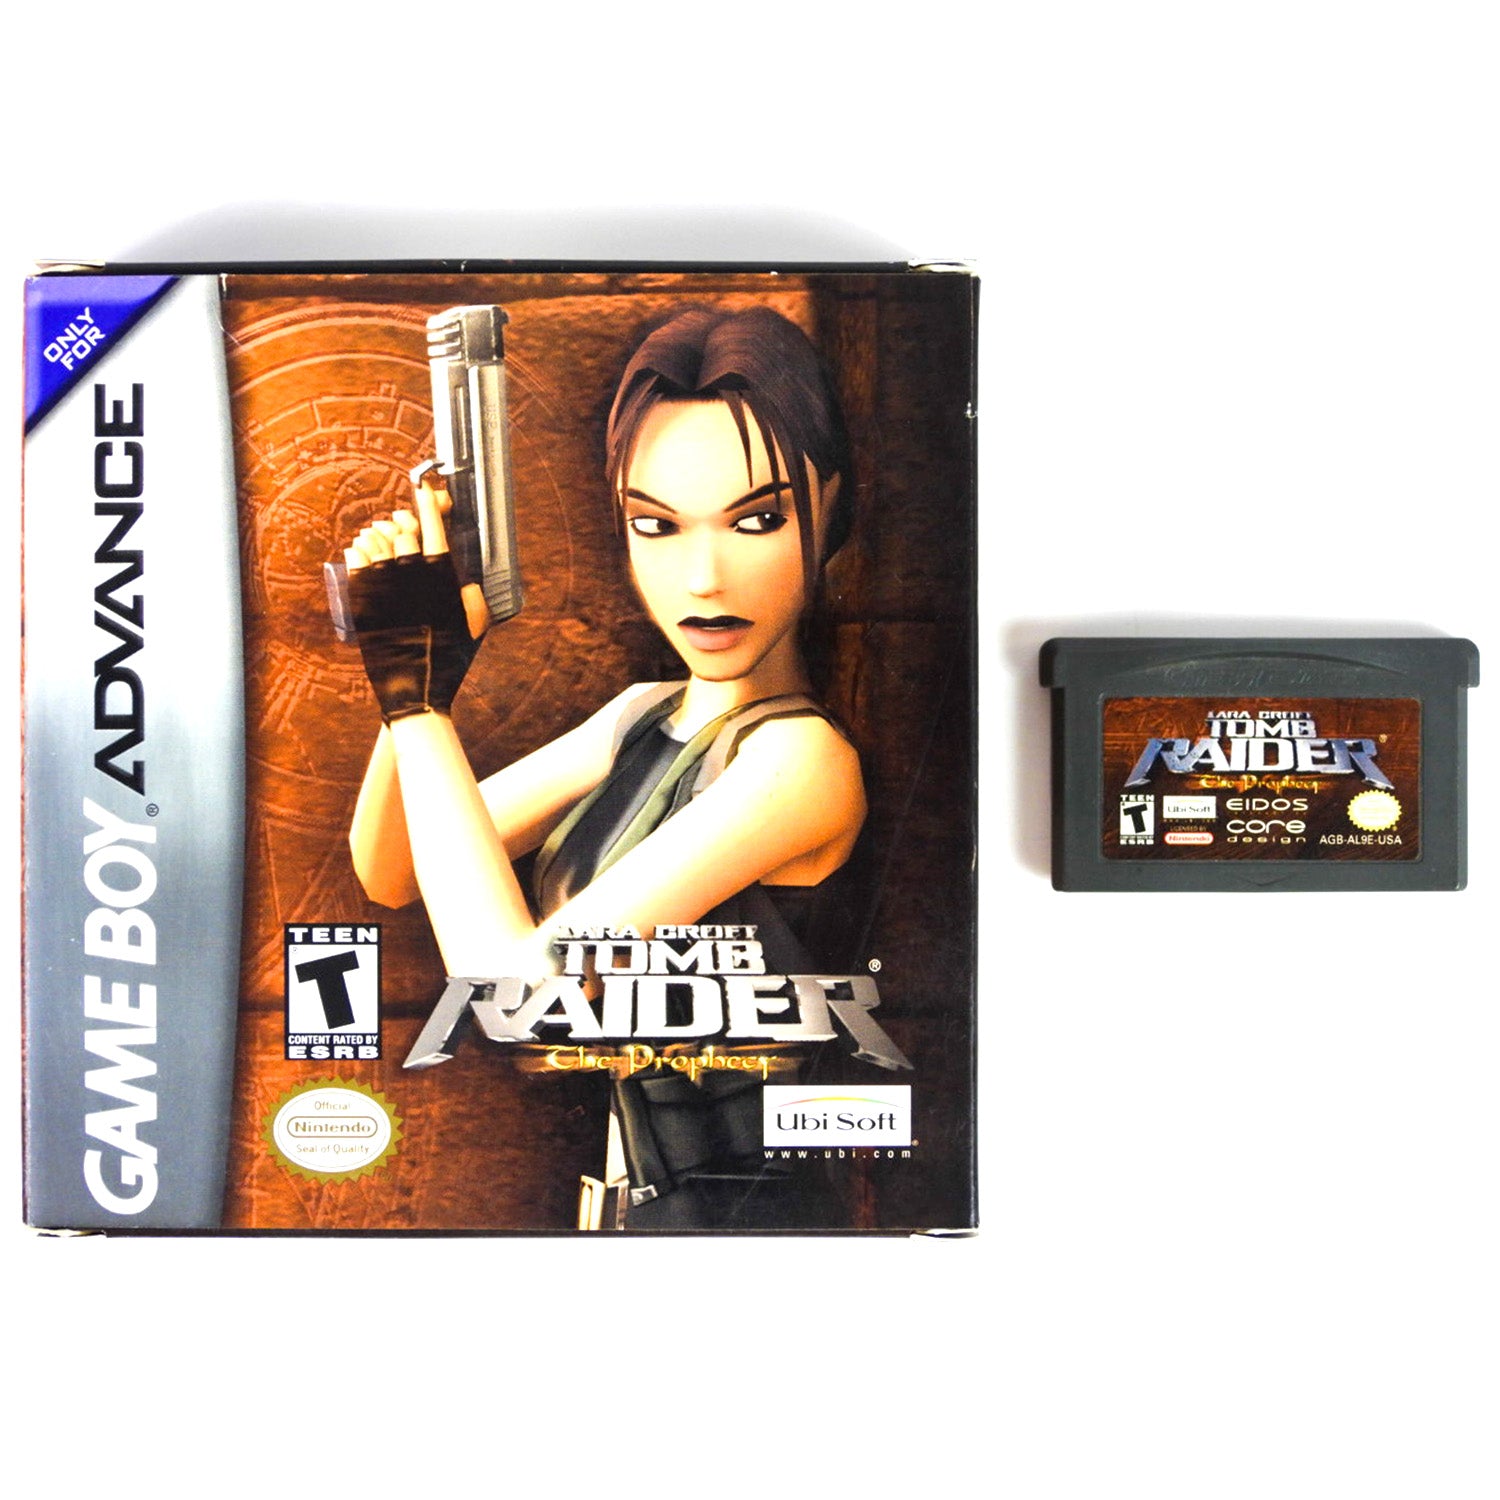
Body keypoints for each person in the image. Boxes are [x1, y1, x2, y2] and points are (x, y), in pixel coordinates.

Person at [344, 306, 865, 1226]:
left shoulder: (799, 760)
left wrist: (413, 703)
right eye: (656, 525)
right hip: (633, 1217)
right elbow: (392, 871)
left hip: (746, 1231)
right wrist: (424, 672)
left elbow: (519, 999)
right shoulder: (640, 717)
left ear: (832, 508)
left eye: (758, 519)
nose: (703, 577)